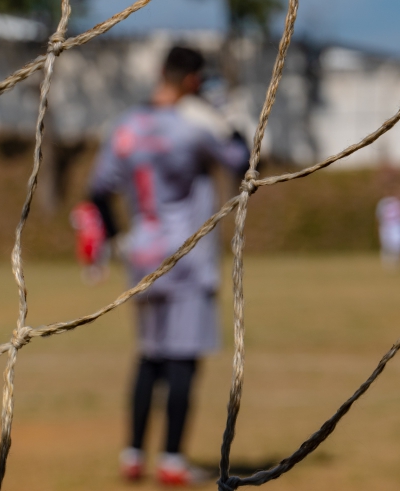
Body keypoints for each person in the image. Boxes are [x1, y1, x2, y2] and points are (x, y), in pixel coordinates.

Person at [77, 46, 249, 486]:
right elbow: (241, 161)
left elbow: (97, 190)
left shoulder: (126, 126)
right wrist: (225, 116)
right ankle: (172, 459)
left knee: (149, 357)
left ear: (159, 73)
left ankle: (133, 455)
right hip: (186, 257)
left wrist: (119, 239)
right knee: (182, 360)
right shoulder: (192, 125)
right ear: (194, 80)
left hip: (141, 254)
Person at [376, 187, 400, 270]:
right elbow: (379, 217)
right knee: (390, 246)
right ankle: (390, 264)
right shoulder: (384, 203)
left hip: (399, 227)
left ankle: (398, 263)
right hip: (389, 227)